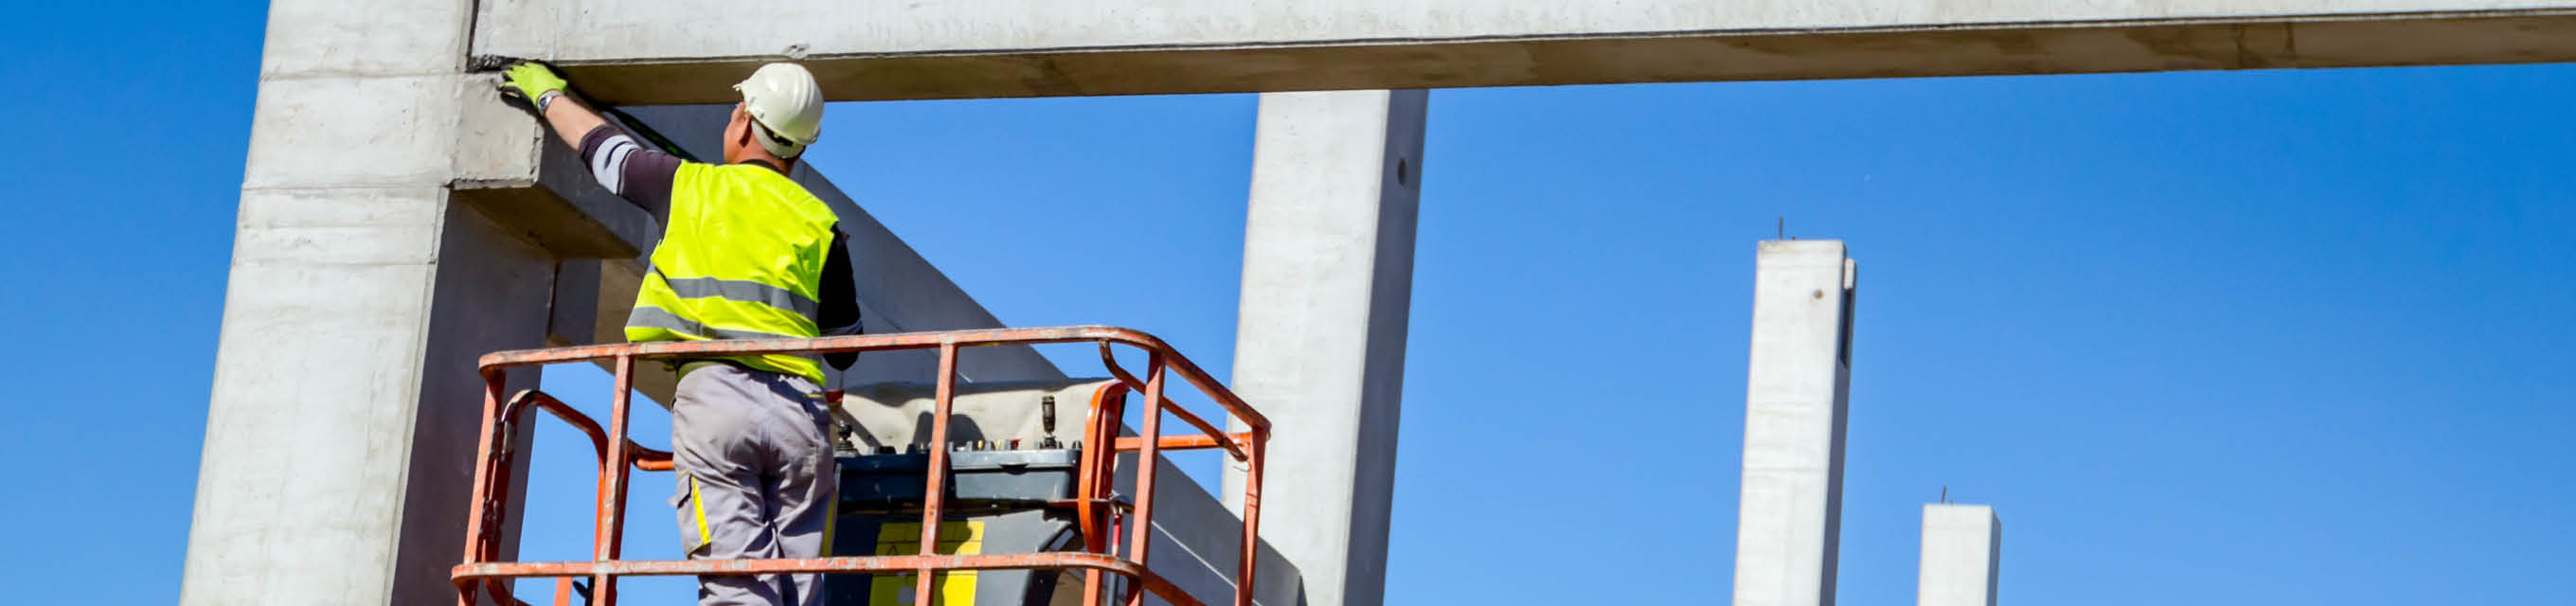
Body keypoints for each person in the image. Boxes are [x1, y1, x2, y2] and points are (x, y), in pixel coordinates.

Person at [498, 61, 859, 606]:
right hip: (799, 414)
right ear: (799, 150)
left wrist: (547, 94)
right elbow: (847, 344)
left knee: (738, 585)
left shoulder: (689, 186)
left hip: (716, 403)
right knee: (802, 586)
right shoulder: (820, 222)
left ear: (742, 123)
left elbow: (604, 151)